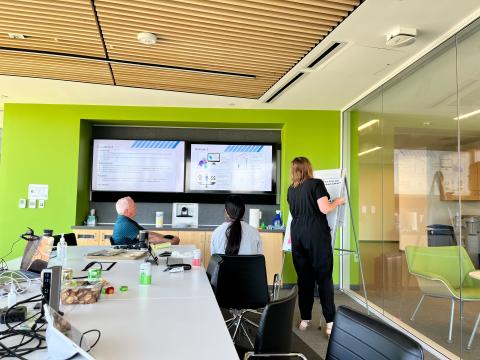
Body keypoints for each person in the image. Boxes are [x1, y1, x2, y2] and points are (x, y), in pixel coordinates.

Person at [287, 157, 344, 338]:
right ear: (308, 168)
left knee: (304, 279)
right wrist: (338, 202)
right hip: (316, 236)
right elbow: (325, 209)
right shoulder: (316, 184)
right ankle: (330, 323)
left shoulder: (291, 190)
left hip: (297, 235)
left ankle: (304, 320)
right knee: (324, 279)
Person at [112, 197, 180, 246]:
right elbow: (149, 238)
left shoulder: (125, 221)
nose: (136, 207)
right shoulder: (124, 224)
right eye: (133, 206)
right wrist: (172, 241)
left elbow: (147, 233)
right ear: (126, 211)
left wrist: (164, 237)